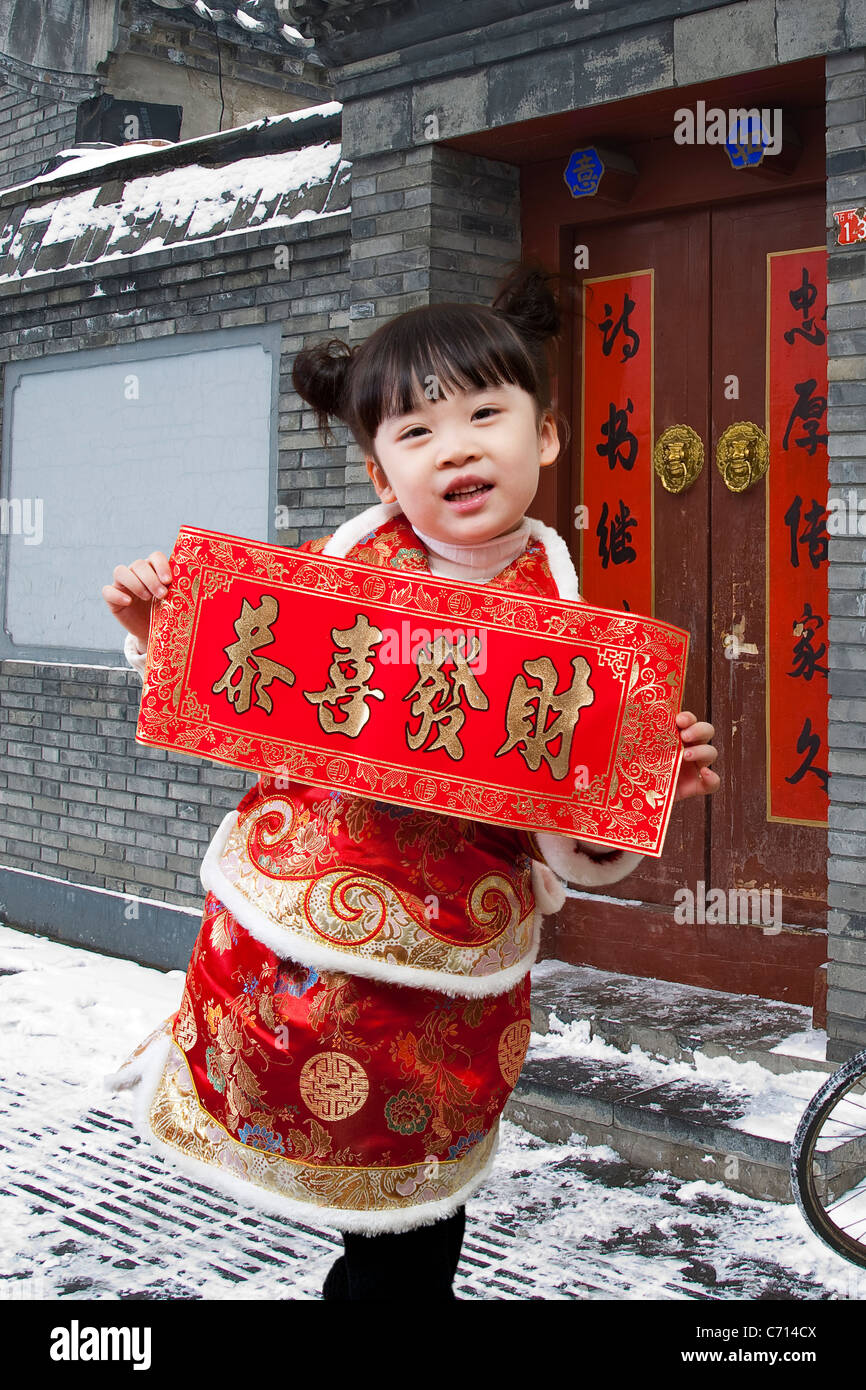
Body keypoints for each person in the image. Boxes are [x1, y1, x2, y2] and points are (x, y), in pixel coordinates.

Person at [101, 261, 719, 1300]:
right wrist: (161, 632)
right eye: (416, 431)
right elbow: (239, 691)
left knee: (415, 1227)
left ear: (546, 436)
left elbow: (569, 846)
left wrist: (633, 797)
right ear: (382, 477)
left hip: (447, 982)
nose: (457, 446)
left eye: (484, 412)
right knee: (364, 1232)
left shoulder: (577, 650)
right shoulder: (322, 585)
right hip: (294, 960)